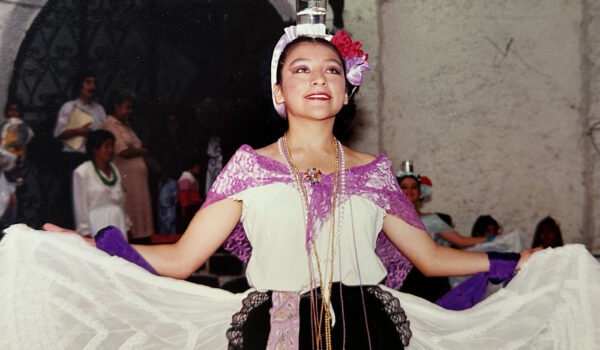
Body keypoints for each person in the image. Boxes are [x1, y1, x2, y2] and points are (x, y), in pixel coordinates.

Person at [1, 24, 599, 349]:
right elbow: (183, 259)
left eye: (332, 69)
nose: (319, 78)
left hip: (375, 334)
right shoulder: (246, 168)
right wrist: (91, 245)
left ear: (345, 92)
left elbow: (434, 258)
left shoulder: (373, 172)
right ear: (279, 94)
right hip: (270, 333)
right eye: (301, 70)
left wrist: (519, 261)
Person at [53, 72, 107, 228]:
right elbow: (59, 133)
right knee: (73, 200)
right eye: (88, 82)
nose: (92, 87)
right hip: (73, 158)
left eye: (94, 83)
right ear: (80, 85)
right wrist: (79, 131)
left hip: (93, 159)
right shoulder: (69, 107)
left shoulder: (99, 110)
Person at [102, 90, 154, 243]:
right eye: (127, 107)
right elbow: (122, 151)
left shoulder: (126, 125)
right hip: (126, 177)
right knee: (131, 212)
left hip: (137, 180)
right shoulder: (111, 125)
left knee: (140, 213)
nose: (130, 112)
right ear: (116, 107)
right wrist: (143, 151)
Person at [396, 164, 487, 248]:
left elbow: (460, 241)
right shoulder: (390, 218)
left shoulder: (431, 220)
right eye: (404, 187)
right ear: (397, 191)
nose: (409, 191)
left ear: (420, 192)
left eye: (414, 187)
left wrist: (492, 239)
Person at [72, 130, 129, 238]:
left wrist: (126, 225)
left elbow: (121, 202)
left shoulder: (114, 169)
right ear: (95, 148)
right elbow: (80, 207)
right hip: (97, 225)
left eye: (112, 146)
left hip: (118, 223)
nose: (111, 150)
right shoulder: (82, 172)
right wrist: (85, 232)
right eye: (106, 146)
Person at [0, 101, 41, 229]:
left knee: (25, 196)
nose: (14, 113)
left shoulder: (23, 127)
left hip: (21, 166)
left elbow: (21, 140)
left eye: (17, 110)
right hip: (6, 166)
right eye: (11, 110)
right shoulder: (3, 126)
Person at [177, 159, 202, 233]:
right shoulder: (186, 178)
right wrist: (183, 208)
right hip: (188, 207)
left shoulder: (191, 177)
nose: (199, 170)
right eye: (197, 167)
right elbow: (183, 195)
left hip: (192, 206)